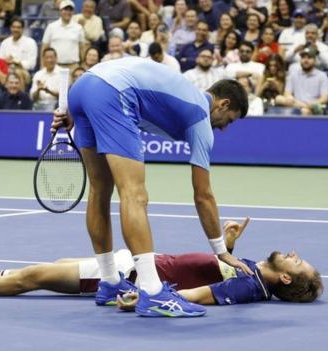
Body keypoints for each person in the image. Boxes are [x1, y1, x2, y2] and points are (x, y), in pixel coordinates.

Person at [50, 57, 250, 317]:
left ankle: (110, 282)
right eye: (230, 120)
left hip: (82, 87)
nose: (224, 127)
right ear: (224, 104)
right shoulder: (201, 116)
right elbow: (203, 196)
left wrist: (78, 110)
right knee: (135, 194)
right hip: (112, 91)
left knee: (100, 189)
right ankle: (153, 292)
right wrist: (222, 252)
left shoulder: (183, 94)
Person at [0, 219, 324, 307]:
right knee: (57, 264)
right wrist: (225, 245)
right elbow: (206, 270)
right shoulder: (250, 268)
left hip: (130, 275)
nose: (294, 253)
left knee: (35, 277)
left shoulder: (252, 286)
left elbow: (202, 294)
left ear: (286, 278)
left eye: (298, 263)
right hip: (133, 263)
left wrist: (144, 297)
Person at [275, 48, 328, 115]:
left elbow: (324, 99)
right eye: (303, 57)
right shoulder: (293, 75)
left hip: (313, 107)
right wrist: (290, 98)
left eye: (309, 58)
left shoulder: (322, 76)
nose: (305, 60)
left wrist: (310, 105)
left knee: (305, 111)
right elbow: (287, 93)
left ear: (315, 61)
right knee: (278, 98)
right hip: (295, 105)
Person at [41, 0, 85, 68]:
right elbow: (44, 47)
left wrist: (82, 65)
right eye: (65, 9)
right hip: (55, 67)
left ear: (73, 12)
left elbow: (82, 49)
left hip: (73, 66)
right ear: (60, 11)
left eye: (70, 10)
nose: (68, 12)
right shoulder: (51, 27)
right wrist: (42, 66)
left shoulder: (78, 28)